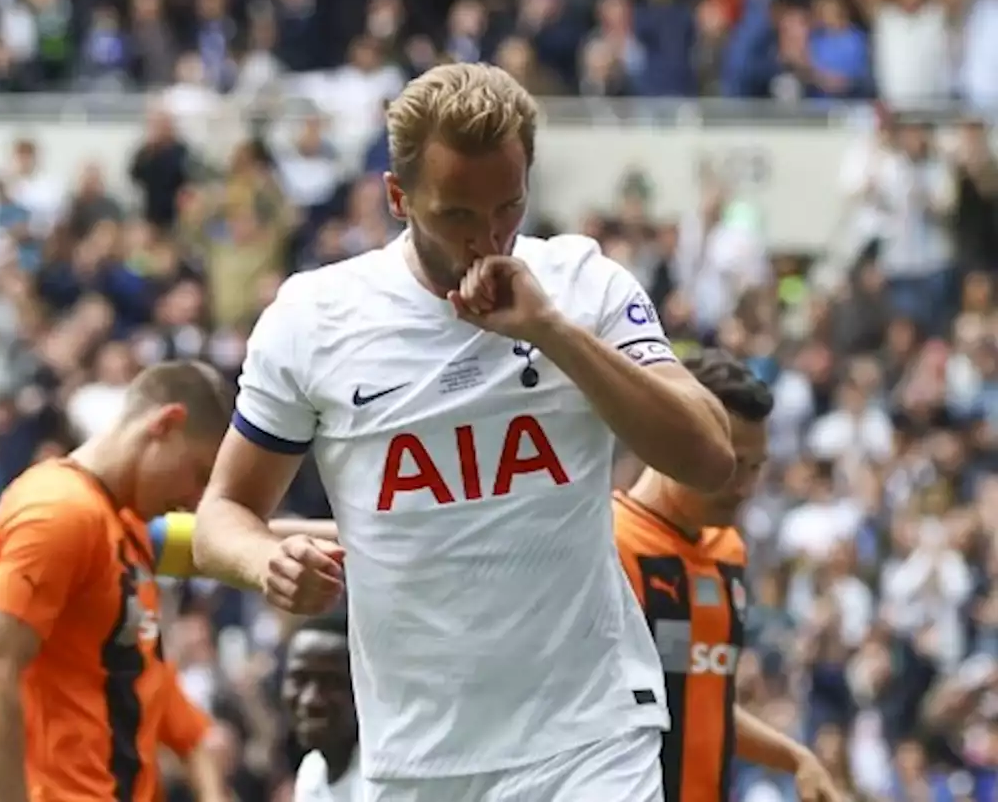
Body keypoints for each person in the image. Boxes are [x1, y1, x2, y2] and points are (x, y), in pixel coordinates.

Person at [192, 61, 735, 802]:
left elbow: (708, 455)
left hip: (589, 737)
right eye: (456, 215)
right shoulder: (314, 318)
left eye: (508, 205)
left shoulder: (582, 283)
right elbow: (222, 512)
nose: (489, 237)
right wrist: (264, 561)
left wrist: (551, 330)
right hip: (415, 756)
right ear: (397, 197)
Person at [0, 360, 234, 802]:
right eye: (198, 474)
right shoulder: (60, 511)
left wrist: (361, 539)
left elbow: (232, 541)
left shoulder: (126, 523)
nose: (193, 500)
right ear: (167, 424)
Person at [614, 350, 844, 802]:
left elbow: (706, 699)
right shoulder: (612, 547)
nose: (744, 488)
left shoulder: (728, 550)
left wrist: (797, 758)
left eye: (757, 467)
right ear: (673, 439)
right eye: (732, 464)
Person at [283, 609, 361, 802]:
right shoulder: (312, 773)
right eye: (299, 679)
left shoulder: (387, 776)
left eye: (332, 682)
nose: (311, 700)